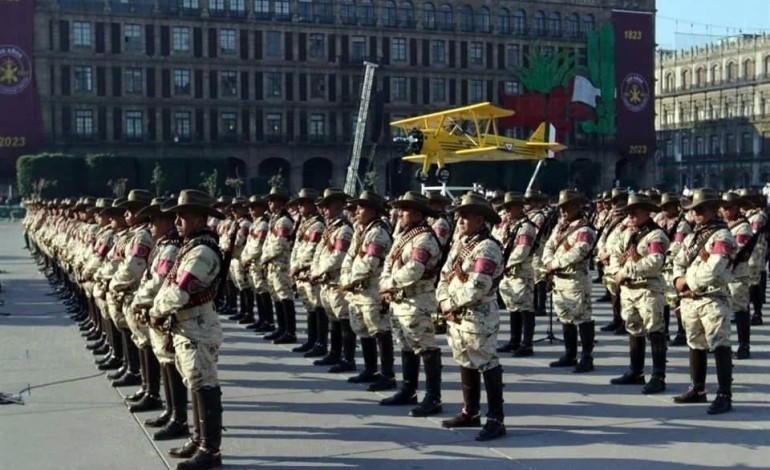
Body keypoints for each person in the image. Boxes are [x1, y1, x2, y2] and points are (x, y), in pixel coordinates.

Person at [151, 189, 226, 469]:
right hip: (187, 326)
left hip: (197, 326)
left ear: (197, 217)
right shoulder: (191, 246)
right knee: (193, 382)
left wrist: (156, 310)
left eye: (182, 216)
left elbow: (181, 290)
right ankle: (199, 438)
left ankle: (210, 450)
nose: (177, 221)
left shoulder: (202, 251)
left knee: (204, 382)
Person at [437, 192, 506, 441]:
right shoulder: (461, 244)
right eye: (459, 216)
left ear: (480, 219)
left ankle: (496, 419)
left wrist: (450, 303)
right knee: (465, 360)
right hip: (457, 315)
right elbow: (445, 275)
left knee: (486, 362)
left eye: (466, 216)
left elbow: (479, 285)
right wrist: (444, 301)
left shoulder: (487, 248)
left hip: (479, 316)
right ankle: (470, 411)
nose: (460, 220)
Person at [671, 188, 735, 415]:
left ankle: (724, 394)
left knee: (719, 344)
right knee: (695, 342)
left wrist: (687, 284)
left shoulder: (722, 236)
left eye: (700, 209)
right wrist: (677, 279)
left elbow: (715, 269)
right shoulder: (692, 236)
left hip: (712, 298)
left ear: (712, 209)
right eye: (693, 209)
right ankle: (697, 388)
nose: (696, 213)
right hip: (690, 300)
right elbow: (678, 259)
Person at [379, 191, 444, 417]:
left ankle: (433, 397)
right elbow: (389, 262)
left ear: (417, 214)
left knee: (424, 347)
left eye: (404, 210)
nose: (399, 213)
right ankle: (409, 389)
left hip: (418, 299)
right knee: (406, 345)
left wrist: (390, 284)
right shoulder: (404, 235)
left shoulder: (424, 238)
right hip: (400, 299)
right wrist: (386, 283)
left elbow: (415, 268)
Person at [129, 197, 188, 440]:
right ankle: (169, 410)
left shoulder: (171, 247)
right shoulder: (163, 245)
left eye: (153, 220)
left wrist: (142, 302)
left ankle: (178, 417)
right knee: (163, 357)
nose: (149, 225)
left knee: (171, 361)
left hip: (165, 311)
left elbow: (160, 282)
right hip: (156, 308)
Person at [609, 194, 670, 394]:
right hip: (629, 289)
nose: (631, 215)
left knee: (655, 330)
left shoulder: (656, 235)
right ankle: (636, 371)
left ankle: (658, 376)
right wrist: (616, 271)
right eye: (628, 211)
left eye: (635, 211)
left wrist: (625, 272)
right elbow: (616, 254)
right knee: (633, 327)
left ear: (646, 211)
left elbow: (654, 262)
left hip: (648, 289)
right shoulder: (628, 234)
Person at [341, 191, 394, 389]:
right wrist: (346, 278)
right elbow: (349, 257)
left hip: (371, 287)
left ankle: (387, 374)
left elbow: (370, 262)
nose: (357, 211)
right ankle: (370, 369)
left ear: (373, 210)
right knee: (362, 328)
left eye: (361, 207)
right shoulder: (360, 230)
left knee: (379, 329)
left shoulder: (378, 232)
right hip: (357, 288)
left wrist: (350, 279)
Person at [542, 190, 597, 373]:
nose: (564, 211)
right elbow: (549, 245)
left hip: (576, 279)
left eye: (567, 207)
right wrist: (548, 262)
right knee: (565, 317)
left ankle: (587, 357)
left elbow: (579, 251)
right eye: (562, 208)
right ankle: (570, 354)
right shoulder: (560, 227)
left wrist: (554, 263)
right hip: (559, 279)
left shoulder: (584, 229)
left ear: (577, 206)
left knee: (582, 317)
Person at [309, 188, 356, 372]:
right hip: (326, 281)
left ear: (337, 206)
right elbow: (320, 253)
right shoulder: (332, 227)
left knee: (343, 319)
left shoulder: (344, 229)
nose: (323, 210)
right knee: (333, 319)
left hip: (336, 281)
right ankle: (334, 353)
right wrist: (315, 270)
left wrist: (318, 270)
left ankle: (347, 357)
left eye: (327, 206)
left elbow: (338, 256)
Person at [497, 192, 538, 357]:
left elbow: (522, 250)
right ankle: (514, 340)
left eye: (509, 207)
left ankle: (526, 344)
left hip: (521, 272)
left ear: (519, 207)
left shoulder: (526, 227)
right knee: (512, 306)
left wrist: (504, 263)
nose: (506, 210)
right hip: (508, 272)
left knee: (525, 307)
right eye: (505, 207)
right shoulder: (508, 225)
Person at [288, 189, 327, 356]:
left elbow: (311, 249)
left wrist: (298, 265)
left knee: (318, 308)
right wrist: (294, 265)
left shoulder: (317, 224)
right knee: (310, 307)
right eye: (299, 203)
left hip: (310, 270)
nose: (300, 206)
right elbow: (297, 247)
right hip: (302, 271)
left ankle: (320, 342)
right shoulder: (306, 223)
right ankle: (312, 340)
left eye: (303, 203)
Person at [260, 187, 296, 343]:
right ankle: (281, 328)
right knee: (276, 296)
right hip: (273, 264)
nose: (269, 203)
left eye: (272, 200)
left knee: (285, 297)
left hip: (281, 264)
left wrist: (264, 258)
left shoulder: (284, 221)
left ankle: (290, 331)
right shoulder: (275, 219)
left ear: (281, 202)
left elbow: (280, 243)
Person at [720, 192, 753, 359]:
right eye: (723, 208)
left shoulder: (742, 227)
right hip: (723, 273)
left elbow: (739, 249)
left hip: (737, 274)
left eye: (728, 208)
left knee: (740, 310)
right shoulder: (724, 224)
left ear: (736, 207)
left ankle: (743, 345)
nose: (724, 211)